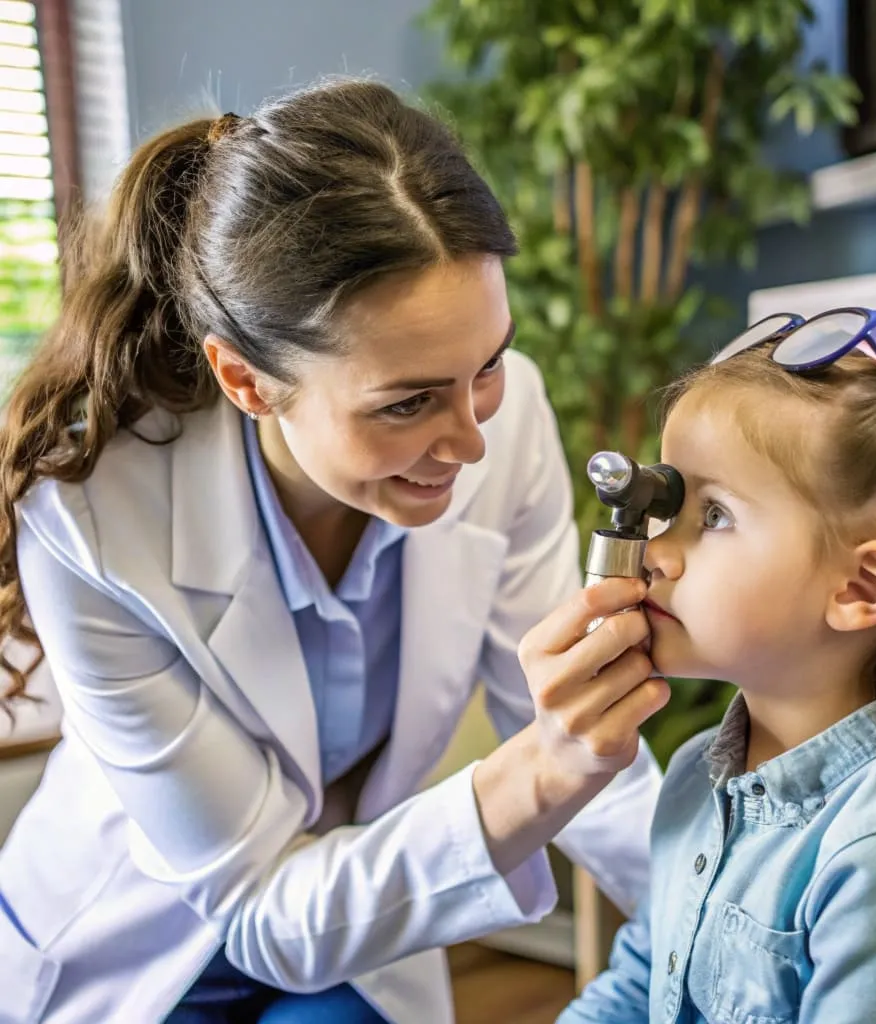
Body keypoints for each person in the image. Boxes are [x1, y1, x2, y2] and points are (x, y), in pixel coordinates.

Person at [0, 79, 670, 1024]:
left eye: (485, 367)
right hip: (142, 936)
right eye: (406, 403)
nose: (471, 440)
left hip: (356, 929)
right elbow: (257, 907)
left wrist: (727, 906)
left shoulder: (503, 417)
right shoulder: (94, 519)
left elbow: (564, 721)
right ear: (245, 380)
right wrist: (545, 773)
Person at [557, 310, 876, 1023]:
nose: (654, 550)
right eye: (669, 502)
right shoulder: (696, 777)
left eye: (713, 515)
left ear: (859, 588)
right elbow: (636, 987)